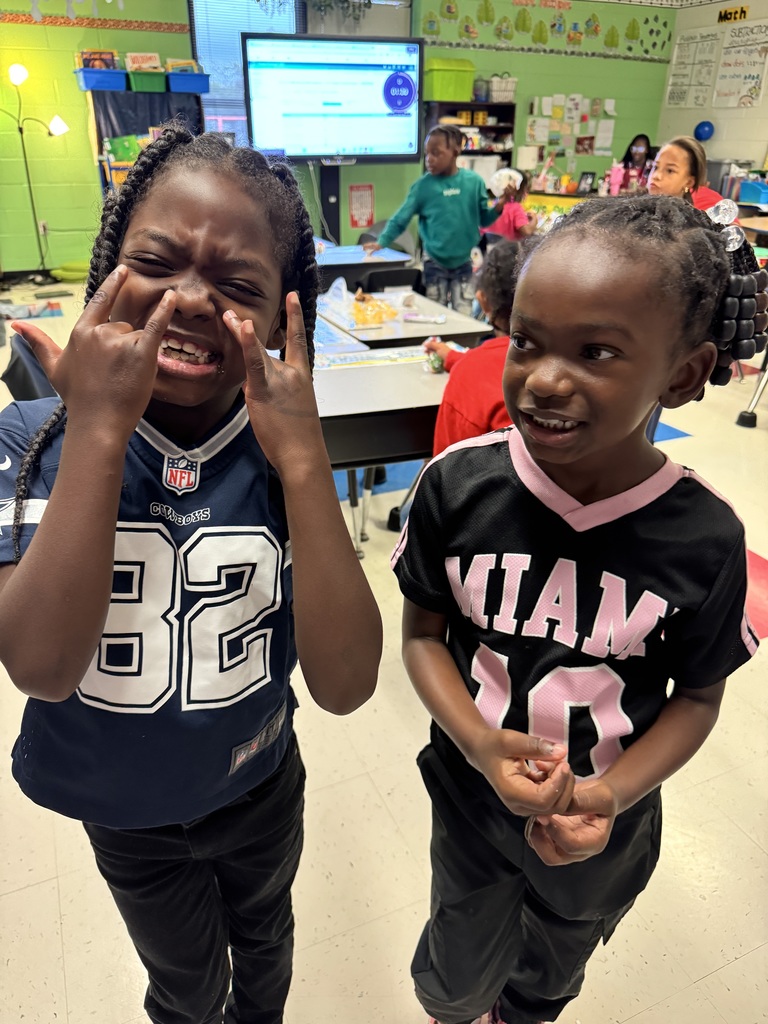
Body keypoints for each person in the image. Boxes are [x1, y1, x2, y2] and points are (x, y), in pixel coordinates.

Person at [0, 125, 383, 1024]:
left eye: (239, 286)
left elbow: (346, 685)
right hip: (126, 811)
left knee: (268, 949)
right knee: (184, 987)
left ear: (284, 316)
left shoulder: (283, 451)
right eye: (155, 262)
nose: (190, 298)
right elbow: (41, 667)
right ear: (106, 270)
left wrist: (305, 457)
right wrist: (100, 425)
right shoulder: (32, 441)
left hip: (259, 786)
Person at [391, 194, 765, 1024]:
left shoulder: (705, 537)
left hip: (604, 828)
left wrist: (611, 794)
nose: (545, 378)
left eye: (597, 351)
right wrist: (480, 742)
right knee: (453, 978)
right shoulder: (457, 486)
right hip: (471, 798)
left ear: (683, 374)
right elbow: (421, 636)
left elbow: (699, 697)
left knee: (548, 977)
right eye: (526, 341)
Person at [363, 125, 514, 315]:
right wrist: (382, 242)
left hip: (464, 261)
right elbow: (401, 218)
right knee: (435, 314)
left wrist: (500, 205)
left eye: (436, 153)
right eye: (427, 153)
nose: (429, 159)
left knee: (464, 314)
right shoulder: (423, 187)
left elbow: (484, 220)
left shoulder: (474, 182)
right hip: (434, 262)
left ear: (455, 152)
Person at [423, 241, 519, 454]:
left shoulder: (468, 374)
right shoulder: (576, 362)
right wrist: (455, 358)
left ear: (482, 301)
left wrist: (464, 363)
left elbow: (446, 464)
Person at [648, 135, 726, 212]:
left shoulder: (690, 218)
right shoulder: (641, 207)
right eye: (655, 167)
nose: (656, 176)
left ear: (689, 182)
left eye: (670, 171)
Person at [481, 170, 538, 244]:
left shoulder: (494, 204)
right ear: (521, 190)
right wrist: (534, 220)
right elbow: (526, 231)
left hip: (489, 247)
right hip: (506, 249)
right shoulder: (516, 208)